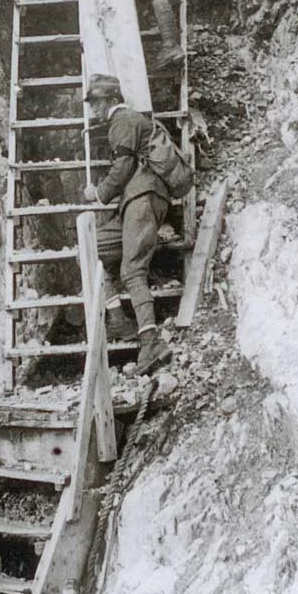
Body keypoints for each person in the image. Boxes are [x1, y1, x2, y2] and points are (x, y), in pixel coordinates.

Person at [83, 73, 173, 376]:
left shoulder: (123, 120)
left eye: (96, 102)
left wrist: (98, 193)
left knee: (132, 271)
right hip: (132, 204)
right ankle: (119, 321)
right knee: (89, 250)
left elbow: (122, 168)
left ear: (111, 100)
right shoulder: (124, 122)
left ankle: (151, 343)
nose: (93, 108)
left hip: (143, 199)